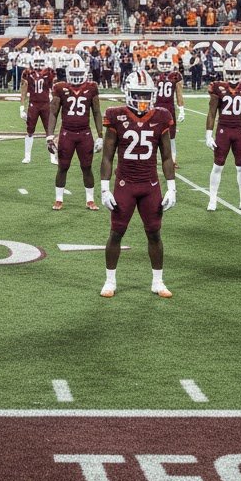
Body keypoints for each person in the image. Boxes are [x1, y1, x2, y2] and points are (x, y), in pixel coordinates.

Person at [99, 69, 177, 299]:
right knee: (116, 232)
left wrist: (172, 187)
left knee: (154, 234)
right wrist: (104, 187)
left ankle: (158, 281)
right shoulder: (116, 115)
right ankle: (110, 281)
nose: (142, 100)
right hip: (125, 184)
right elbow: (107, 156)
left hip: (150, 184)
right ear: (128, 93)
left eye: (146, 95)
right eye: (138, 94)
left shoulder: (161, 116)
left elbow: (166, 156)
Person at [47, 55, 103, 212]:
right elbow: (53, 112)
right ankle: (59, 199)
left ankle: (90, 200)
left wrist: (100, 136)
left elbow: (97, 112)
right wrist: (50, 136)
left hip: (85, 133)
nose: (77, 77)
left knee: (87, 167)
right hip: (67, 133)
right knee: (62, 167)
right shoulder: (60, 87)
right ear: (68, 72)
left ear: (84, 73)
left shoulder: (92, 87)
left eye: (79, 73)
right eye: (74, 73)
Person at [205, 56, 241, 212]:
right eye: (230, 72)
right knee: (218, 166)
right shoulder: (217, 87)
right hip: (223, 130)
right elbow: (211, 113)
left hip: (240, 131)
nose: (233, 75)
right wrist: (208, 134)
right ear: (224, 71)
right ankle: (213, 199)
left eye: (236, 72)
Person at [19, 50, 56, 164]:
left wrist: (54, 101)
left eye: (40, 61)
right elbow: (24, 91)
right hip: (33, 104)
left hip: (45, 104)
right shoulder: (27, 73)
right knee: (30, 130)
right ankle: (27, 156)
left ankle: (53, 157)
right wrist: (21, 108)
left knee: (49, 131)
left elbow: (53, 88)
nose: (39, 64)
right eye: (36, 61)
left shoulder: (49, 72)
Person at [152, 51, 185, 167]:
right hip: (163, 108)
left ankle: (171, 159)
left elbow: (179, 93)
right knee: (159, 134)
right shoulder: (171, 75)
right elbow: (179, 94)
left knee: (170, 136)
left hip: (163, 108)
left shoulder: (157, 75)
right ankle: (160, 159)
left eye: (167, 63)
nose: (165, 66)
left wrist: (181, 109)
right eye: (163, 63)